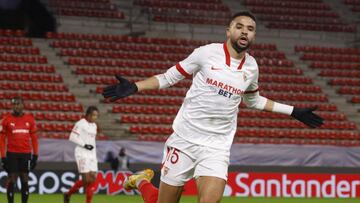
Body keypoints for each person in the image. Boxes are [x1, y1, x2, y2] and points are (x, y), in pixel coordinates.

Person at [102, 11, 324, 203]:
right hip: (185, 140)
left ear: (254, 35)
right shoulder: (206, 53)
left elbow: (252, 101)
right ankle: (140, 181)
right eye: (239, 27)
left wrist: (293, 111)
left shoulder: (252, 67)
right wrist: (135, 87)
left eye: (250, 29)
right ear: (228, 31)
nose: (245, 32)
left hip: (217, 146)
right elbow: (169, 77)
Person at [0, 97, 38, 203]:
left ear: (23, 105)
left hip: (26, 154)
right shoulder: (6, 119)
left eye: (18, 104)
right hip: (12, 154)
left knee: (25, 180)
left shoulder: (30, 119)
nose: (16, 106)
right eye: (14, 104)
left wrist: (35, 156)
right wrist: (3, 157)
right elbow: (1, 140)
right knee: (12, 179)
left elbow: (34, 139)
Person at [64, 106, 99, 203]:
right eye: (94, 115)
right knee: (87, 180)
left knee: (92, 179)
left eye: (96, 116)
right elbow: (72, 137)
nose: (95, 117)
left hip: (92, 155)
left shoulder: (94, 126)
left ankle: (68, 194)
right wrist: (85, 145)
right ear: (88, 115)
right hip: (82, 153)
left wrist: (95, 157)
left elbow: (93, 142)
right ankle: (69, 194)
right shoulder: (80, 124)